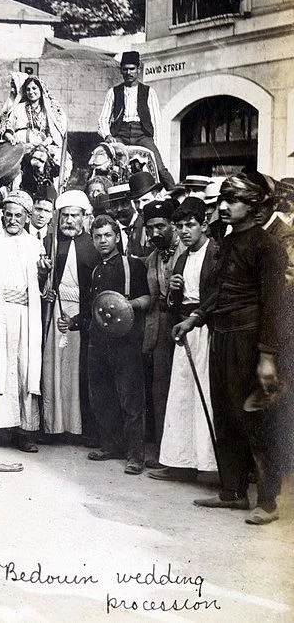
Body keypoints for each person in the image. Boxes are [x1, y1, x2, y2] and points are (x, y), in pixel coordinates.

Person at [174, 173, 285, 523]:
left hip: (249, 342)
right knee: (224, 414)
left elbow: (275, 307)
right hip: (220, 337)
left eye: (232, 200)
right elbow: (218, 293)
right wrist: (195, 319)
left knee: (255, 421)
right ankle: (233, 492)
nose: (222, 206)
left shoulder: (268, 248)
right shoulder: (226, 242)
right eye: (221, 199)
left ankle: (267, 503)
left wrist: (267, 358)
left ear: (252, 206)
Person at [0, 191, 47, 452]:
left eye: (18, 216)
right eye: (8, 215)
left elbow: (43, 283)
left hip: (24, 314)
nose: (12, 220)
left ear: (27, 217)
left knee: (24, 368)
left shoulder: (34, 244)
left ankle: (25, 431)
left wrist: (43, 272)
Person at [150, 197, 218, 482]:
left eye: (190, 225)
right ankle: (179, 462)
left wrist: (196, 317)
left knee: (207, 395)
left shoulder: (216, 254)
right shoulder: (182, 257)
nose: (184, 231)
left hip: (207, 330)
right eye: (179, 227)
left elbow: (218, 296)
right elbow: (171, 303)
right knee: (181, 396)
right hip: (184, 330)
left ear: (204, 225)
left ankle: (211, 465)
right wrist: (174, 290)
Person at [82, 215, 151, 475]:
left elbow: (147, 298)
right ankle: (110, 444)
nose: (102, 241)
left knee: (130, 397)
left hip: (125, 339)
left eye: (107, 235)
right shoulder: (96, 269)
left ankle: (135, 455)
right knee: (101, 395)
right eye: (98, 236)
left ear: (117, 236)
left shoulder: (132, 265)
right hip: (98, 340)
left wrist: (128, 305)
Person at [41, 190, 100, 445]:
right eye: (64, 216)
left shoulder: (93, 245)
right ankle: (53, 426)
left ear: (84, 217)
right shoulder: (50, 241)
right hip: (55, 312)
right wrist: (44, 278)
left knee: (80, 370)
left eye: (74, 216)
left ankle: (81, 428)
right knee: (55, 366)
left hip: (83, 316)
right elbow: (42, 279)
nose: (68, 221)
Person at [141, 199, 181, 468]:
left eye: (160, 226)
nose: (154, 233)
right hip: (159, 333)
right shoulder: (153, 257)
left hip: (185, 329)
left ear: (173, 226)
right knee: (160, 391)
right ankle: (164, 454)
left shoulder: (188, 252)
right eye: (150, 228)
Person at [98, 51, 174, 188]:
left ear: (138, 70)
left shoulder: (149, 92)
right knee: (107, 166)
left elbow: (156, 122)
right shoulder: (113, 92)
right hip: (120, 135)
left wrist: (156, 146)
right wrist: (108, 135)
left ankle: (174, 196)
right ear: (121, 70)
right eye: (125, 69)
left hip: (142, 135)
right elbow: (103, 119)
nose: (129, 73)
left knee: (159, 167)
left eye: (132, 69)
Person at [0, 74, 67, 173]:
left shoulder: (48, 110)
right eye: (28, 89)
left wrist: (43, 144)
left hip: (41, 146)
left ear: (41, 90)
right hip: (18, 146)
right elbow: (7, 128)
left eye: (34, 88)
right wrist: (10, 137)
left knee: (60, 159)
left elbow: (52, 134)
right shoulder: (18, 108)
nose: (31, 92)